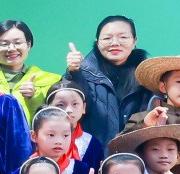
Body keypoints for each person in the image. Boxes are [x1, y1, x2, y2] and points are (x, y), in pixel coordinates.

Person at [64, 14, 151, 147]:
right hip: (90, 152)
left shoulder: (147, 76)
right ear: (97, 42)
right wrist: (73, 73)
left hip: (135, 154)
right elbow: (64, 106)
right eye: (107, 38)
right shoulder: (81, 72)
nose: (115, 43)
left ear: (134, 41)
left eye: (123, 37)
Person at [0, 19, 60, 119]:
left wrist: (34, 97)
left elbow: (55, 117)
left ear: (28, 45)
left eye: (18, 42)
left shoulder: (49, 81)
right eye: (4, 44)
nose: (11, 48)